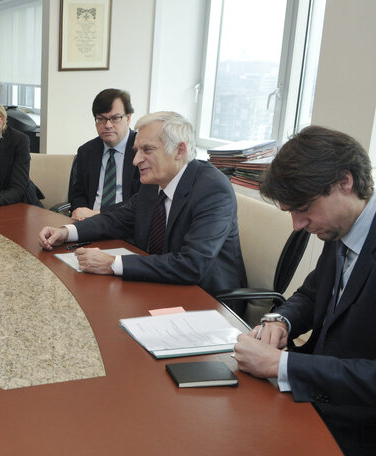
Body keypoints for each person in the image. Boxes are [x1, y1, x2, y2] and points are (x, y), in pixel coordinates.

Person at [233, 126, 376, 456]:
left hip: (359, 435)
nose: (297, 225)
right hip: (314, 403)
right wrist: (280, 320)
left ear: (345, 182)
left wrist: (285, 365)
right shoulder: (342, 227)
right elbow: (312, 293)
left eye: (304, 209)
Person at [38, 111, 247, 301]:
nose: (136, 160)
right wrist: (67, 232)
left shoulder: (212, 190)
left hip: (207, 299)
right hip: (159, 286)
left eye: (147, 150)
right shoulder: (154, 182)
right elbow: (118, 218)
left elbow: (192, 265)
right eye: (137, 150)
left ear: (179, 150)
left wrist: (112, 263)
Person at [69, 89, 141, 221]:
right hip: (89, 224)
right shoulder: (86, 151)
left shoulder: (142, 150)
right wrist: (82, 214)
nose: (107, 125)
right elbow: (77, 195)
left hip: (127, 223)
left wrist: (99, 213)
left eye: (115, 118)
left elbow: (142, 199)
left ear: (128, 118)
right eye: (101, 119)